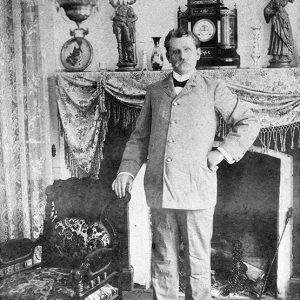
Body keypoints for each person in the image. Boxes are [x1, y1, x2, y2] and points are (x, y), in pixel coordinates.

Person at [112, 28, 260, 300]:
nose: (182, 56)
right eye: (175, 51)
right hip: (161, 188)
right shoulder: (155, 92)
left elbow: (249, 121)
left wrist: (222, 153)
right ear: (168, 56)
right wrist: (126, 171)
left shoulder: (213, 88)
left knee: (198, 261)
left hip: (197, 188)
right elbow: (139, 138)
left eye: (187, 50)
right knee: (163, 259)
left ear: (198, 53)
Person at [264, 0, 294, 64]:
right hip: (276, 21)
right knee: (276, 36)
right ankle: (276, 55)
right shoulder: (273, 1)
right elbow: (266, 9)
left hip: (284, 18)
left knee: (285, 36)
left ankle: (284, 54)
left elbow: (292, 0)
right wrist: (273, 12)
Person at [109, 0, 138, 66]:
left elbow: (135, 17)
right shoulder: (117, 7)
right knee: (119, 43)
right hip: (117, 24)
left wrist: (129, 20)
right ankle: (121, 59)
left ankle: (130, 58)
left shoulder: (129, 8)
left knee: (128, 41)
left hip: (125, 25)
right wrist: (115, 10)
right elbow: (111, 17)